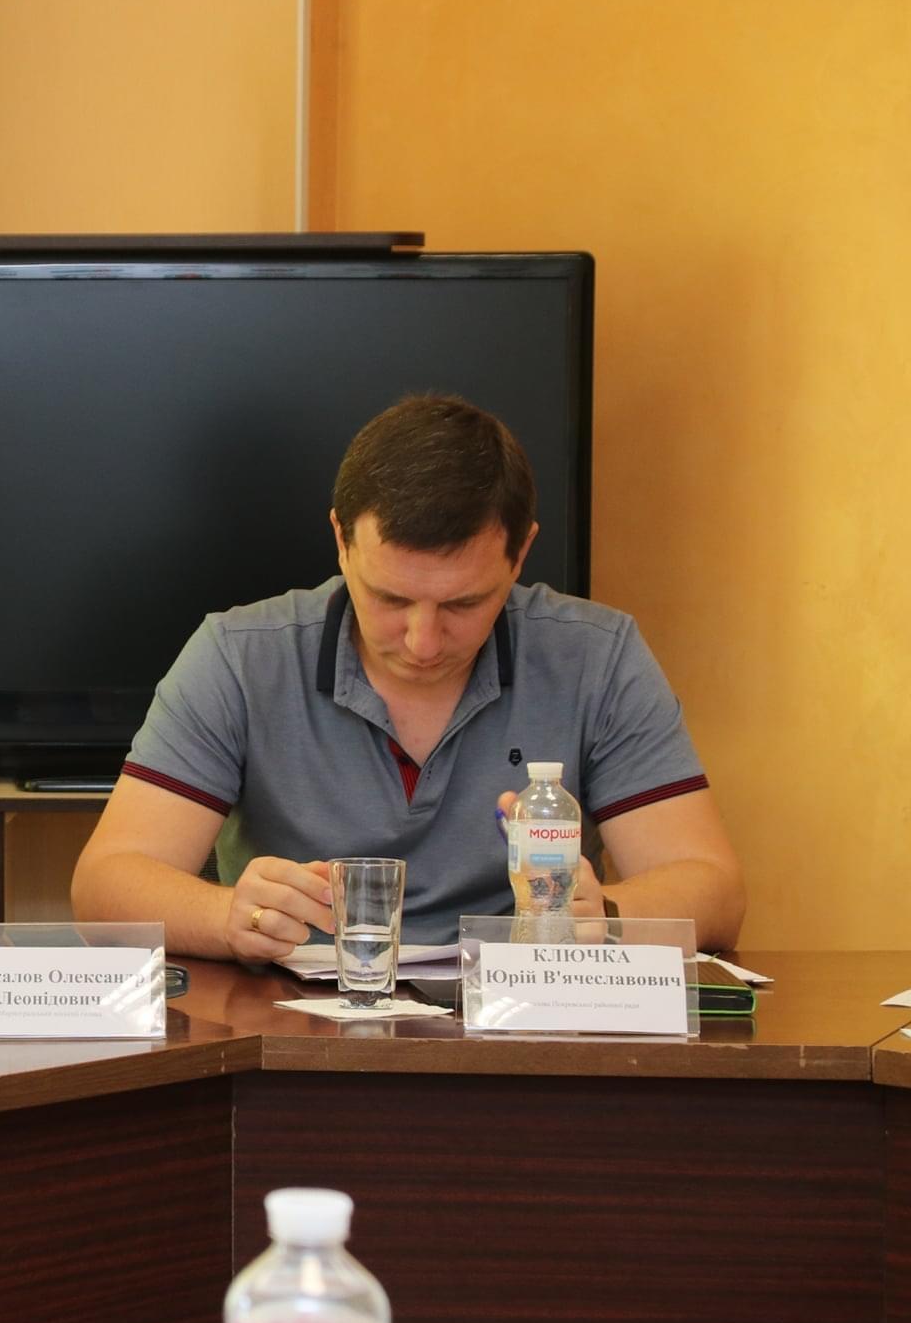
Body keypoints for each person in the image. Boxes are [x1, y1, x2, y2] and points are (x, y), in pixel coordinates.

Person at [73, 393, 744, 959]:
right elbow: (105, 884)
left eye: (463, 604)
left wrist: (607, 917)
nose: (423, 642)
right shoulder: (239, 656)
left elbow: (714, 889)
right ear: (341, 541)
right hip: (292, 1030)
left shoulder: (596, 657)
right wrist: (229, 915)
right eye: (390, 598)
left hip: (524, 1024)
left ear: (521, 554)